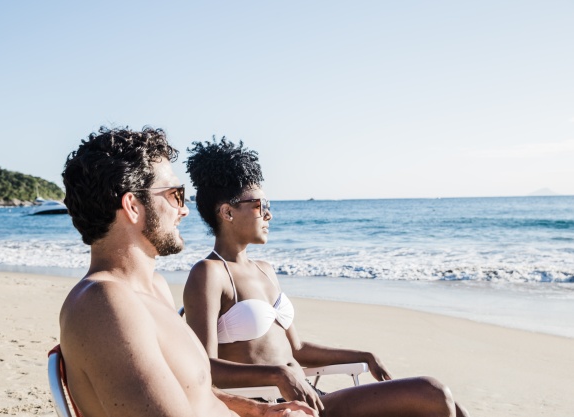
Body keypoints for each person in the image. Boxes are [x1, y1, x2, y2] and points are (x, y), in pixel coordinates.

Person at [183, 138, 470, 417]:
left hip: (310, 398)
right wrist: (278, 374)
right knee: (432, 392)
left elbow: (298, 349)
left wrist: (363, 355)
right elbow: (203, 367)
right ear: (227, 212)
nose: (269, 214)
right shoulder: (209, 274)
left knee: (455, 408)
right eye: (260, 205)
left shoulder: (265, 270)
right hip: (274, 405)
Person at [59, 126, 317, 417]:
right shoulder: (104, 303)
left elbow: (195, 395)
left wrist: (259, 411)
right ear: (132, 206)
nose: (185, 210)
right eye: (175, 195)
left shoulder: (151, 289)